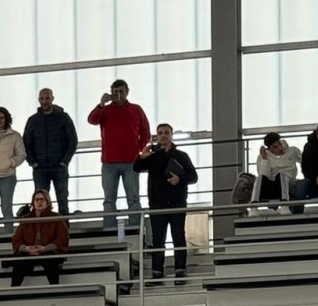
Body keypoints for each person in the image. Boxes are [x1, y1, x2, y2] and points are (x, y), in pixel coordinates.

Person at [134, 123, 199, 280]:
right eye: (160, 133)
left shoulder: (181, 156)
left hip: (177, 203)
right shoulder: (152, 156)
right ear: (156, 136)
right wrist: (142, 156)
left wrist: (179, 179)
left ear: (171, 135)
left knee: (178, 236)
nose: (163, 135)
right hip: (157, 203)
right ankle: (157, 270)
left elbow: (193, 177)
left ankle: (180, 268)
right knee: (158, 238)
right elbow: (136, 168)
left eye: (166, 133)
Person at [88, 78, 151, 231]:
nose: (118, 95)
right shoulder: (105, 110)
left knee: (133, 197)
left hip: (131, 161)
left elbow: (146, 132)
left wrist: (137, 149)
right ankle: (109, 230)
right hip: (109, 162)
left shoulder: (136, 109)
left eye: (121, 91)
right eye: (115, 92)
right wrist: (101, 105)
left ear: (127, 91)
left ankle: (136, 228)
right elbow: (92, 120)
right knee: (109, 199)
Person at [23, 87, 79, 216]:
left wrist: (65, 161)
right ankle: (42, 232)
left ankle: (65, 231)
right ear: (38, 100)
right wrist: (32, 162)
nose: (45, 101)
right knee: (40, 202)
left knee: (62, 199)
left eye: (47, 98)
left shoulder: (63, 118)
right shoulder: (33, 121)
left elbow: (72, 140)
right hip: (40, 168)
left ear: (52, 98)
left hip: (59, 167)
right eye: (42, 98)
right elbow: (26, 142)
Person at [7, 191, 70, 286]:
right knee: (20, 261)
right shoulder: (26, 219)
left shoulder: (56, 217)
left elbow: (63, 238)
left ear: (48, 202)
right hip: (30, 251)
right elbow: (16, 239)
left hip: (48, 251)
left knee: (50, 259)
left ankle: (55, 289)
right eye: (37, 200)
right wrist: (26, 248)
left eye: (42, 199)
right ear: (33, 203)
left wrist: (45, 248)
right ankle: (13, 291)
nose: (39, 202)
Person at [251, 133, 303, 213]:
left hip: (289, 183)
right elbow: (264, 175)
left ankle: (284, 205)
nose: (279, 148)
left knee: (282, 175)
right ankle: (253, 207)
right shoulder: (263, 156)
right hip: (273, 184)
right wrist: (265, 159)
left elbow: (305, 162)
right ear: (269, 148)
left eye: (280, 144)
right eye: (275, 147)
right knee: (259, 178)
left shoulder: (293, 151)